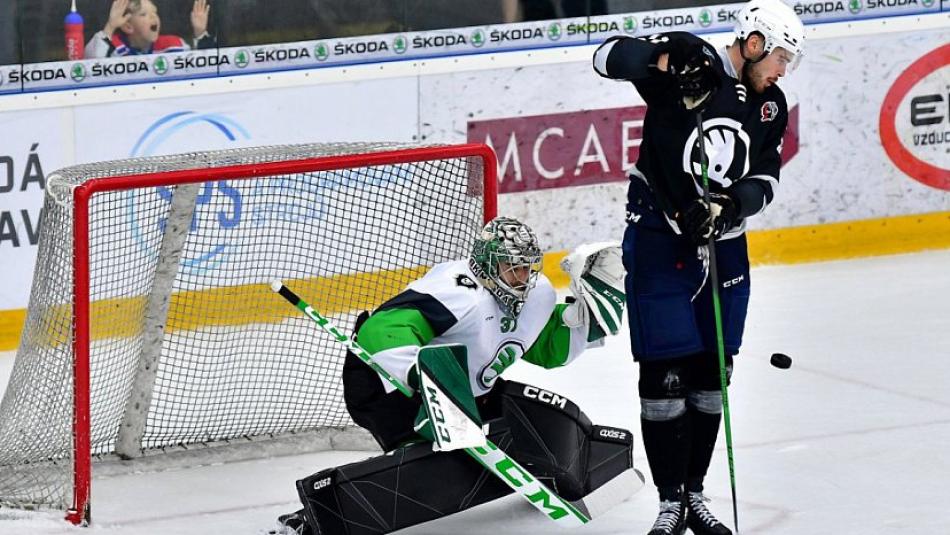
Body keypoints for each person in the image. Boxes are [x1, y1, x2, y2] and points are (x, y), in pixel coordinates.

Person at [275, 216, 636, 535]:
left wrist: (579, 324)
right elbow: (381, 330)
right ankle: (317, 518)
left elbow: (544, 349)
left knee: (528, 417)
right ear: (485, 266)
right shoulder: (458, 291)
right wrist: (426, 381)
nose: (523, 278)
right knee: (430, 464)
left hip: (463, 387)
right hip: (385, 380)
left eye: (528, 268)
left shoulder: (536, 294)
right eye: (513, 269)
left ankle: (570, 465)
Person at [592, 1, 805, 534]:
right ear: (753, 43)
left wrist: (732, 206)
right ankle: (669, 502)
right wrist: (669, 53)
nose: (782, 71)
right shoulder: (694, 66)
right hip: (661, 241)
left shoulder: (770, 105)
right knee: (663, 373)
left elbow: (766, 177)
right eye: (781, 57)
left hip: (725, 249)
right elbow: (606, 58)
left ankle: (693, 495)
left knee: (712, 375)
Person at [84, 0, 214, 58]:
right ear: (128, 26)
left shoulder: (174, 45)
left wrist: (200, 32)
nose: (153, 17)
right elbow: (92, 63)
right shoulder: (115, 49)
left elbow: (201, 67)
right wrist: (111, 26)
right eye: (143, 14)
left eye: (155, 12)